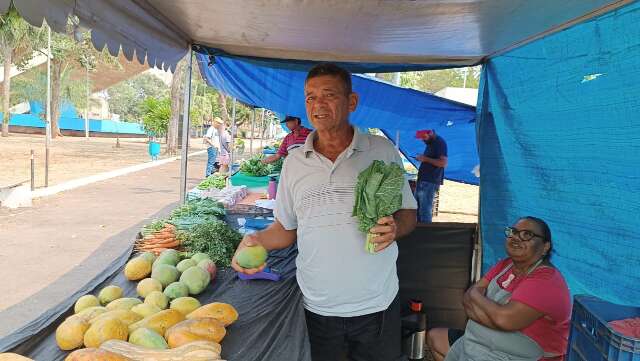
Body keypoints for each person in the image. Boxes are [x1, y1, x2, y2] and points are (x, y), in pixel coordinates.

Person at [232, 63, 418, 361]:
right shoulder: (294, 163)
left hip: (376, 303)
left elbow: (408, 213)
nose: (317, 105)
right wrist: (256, 241)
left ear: (351, 102)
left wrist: (396, 227)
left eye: (328, 95)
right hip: (317, 306)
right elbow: (285, 229)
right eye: (309, 97)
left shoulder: (381, 150)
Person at [428, 216, 571, 361]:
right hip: (483, 341)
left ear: (545, 247)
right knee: (436, 338)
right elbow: (466, 301)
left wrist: (476, 296)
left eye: (527, 235)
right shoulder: (506, 264)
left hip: (519, 355)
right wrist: (494, 318)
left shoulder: (545, 280)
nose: (516, 238)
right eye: (513, 232)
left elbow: (503, 320)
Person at [414, 129, 447, 222]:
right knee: (417, 210)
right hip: (424, 180)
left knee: (424, 211)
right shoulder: (431, 144)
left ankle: (425, 233)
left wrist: (425, 159)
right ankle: (419, 232)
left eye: (424, 137)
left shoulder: (439, 143)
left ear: (431, 133)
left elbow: (443, 163)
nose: (422, 140)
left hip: (429, 181)